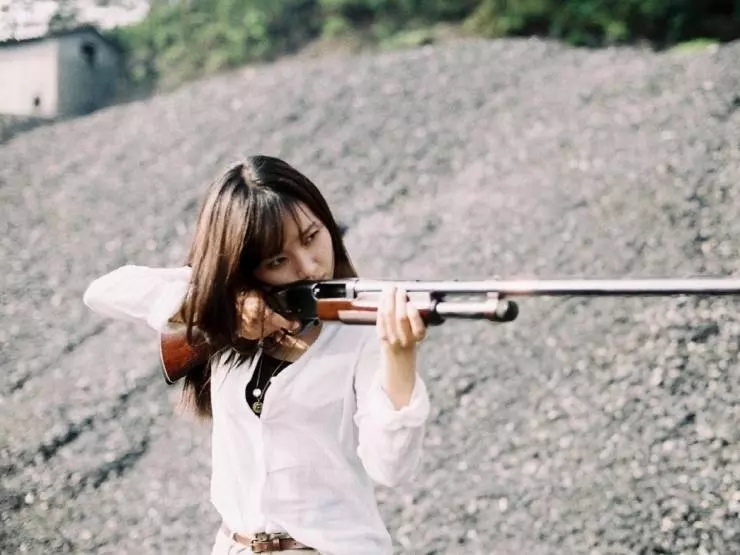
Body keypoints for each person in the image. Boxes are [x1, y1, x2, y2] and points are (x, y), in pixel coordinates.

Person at [83, 155, 431, 555]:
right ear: (245, 268)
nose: (309, 267)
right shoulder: (233, 313)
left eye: (311, 237)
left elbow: (391, 468)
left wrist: (399, 357)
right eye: (278, 260)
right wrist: (224, 308)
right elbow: (103, 292)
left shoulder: (360, 332)